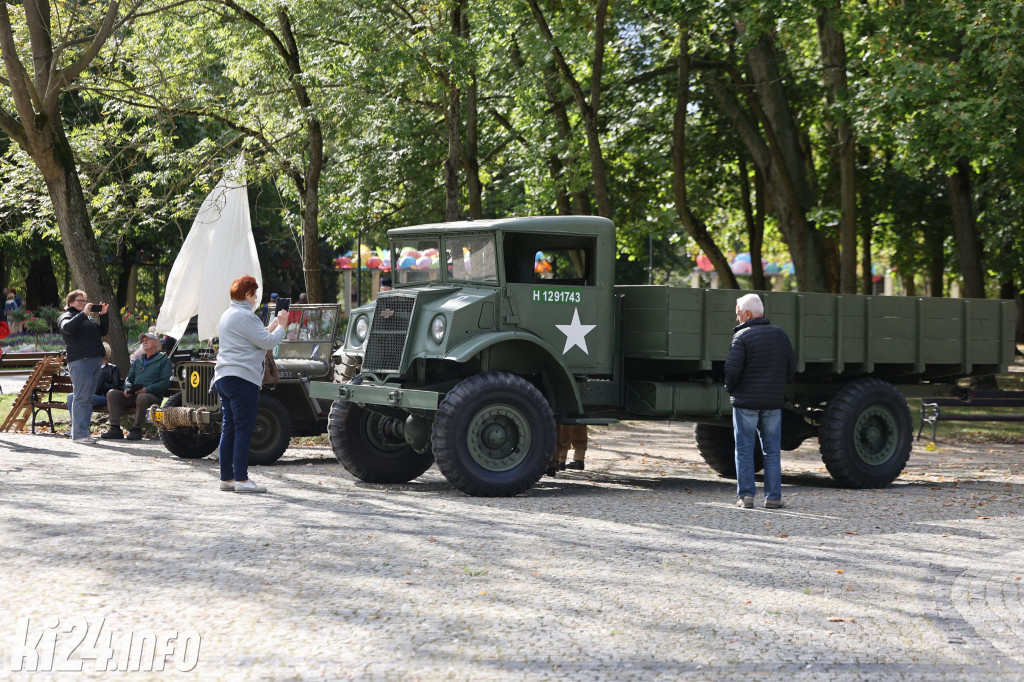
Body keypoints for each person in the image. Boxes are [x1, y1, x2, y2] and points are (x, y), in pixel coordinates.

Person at [213, 275, 288, 493]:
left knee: (229, 428)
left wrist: (272, 324)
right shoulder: (246, 317)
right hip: (242, 378)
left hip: (224, 377)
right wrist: (282, 326)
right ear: (247, 294)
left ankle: (226, 478)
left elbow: (256, 336)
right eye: (254, 293)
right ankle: (242, 480)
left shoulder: (228, 315)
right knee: (244, 430)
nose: (256, 298)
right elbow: (268, 342)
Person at [725, 293, 796, 510]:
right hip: (773, 403)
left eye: (738, 314)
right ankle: (773, 498)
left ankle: (746, 497)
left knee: (744, 449)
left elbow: (732, 370)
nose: (737, 319)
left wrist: (731, 389)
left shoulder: (742, 337)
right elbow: (791, 368)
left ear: (747, 314)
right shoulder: (780, 335)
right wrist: (776, 388)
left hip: (746, 402)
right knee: (772, 450)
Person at [58, 290, 110, 442]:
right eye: (79, 300)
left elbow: (103, 331)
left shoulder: (88, 319)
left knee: (87, 399)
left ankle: (83, 433)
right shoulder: (66, 316)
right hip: (80, 361)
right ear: (70, 302)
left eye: (84, 300)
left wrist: (103, 315)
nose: (82, 303)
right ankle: (79, 435)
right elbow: (67, 328)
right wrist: (83, 314)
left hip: (95, 361)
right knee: (81, 398)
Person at [101, 332, 172, 441]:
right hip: (134, 395)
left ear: (156, 342)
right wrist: (127, 388)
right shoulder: (138, 361)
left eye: (147, 339)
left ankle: (136, 430)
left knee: (142, 397)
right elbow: (129, 378)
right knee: (112, 393)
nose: (144, 342)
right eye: (143, 340)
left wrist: (146, 389)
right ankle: (115, 429)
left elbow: (165, 383)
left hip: (152, 397)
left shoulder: (164, 360)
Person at [67, 342, 121, 431]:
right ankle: (75, 427)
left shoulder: (112, 368)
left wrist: (102, 382)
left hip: (104, 396)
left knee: (87, 399)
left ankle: (83, 429)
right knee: (70, 397)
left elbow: (115, 386)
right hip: (89, 394)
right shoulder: (90, 367)